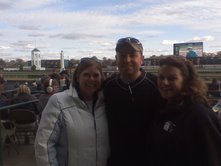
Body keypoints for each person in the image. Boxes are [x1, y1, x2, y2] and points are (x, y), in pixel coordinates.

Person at [35, 57, 109, 166]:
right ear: (78, 77)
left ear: (101, 78)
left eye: (96, 75)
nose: (91, 79)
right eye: (86, 75)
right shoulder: (58, 102)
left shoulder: (107, 103)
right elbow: (44, 145)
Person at [148, 56, 221, 166]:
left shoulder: (199, 114)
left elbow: (213, 158)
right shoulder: (166, 106)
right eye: (161, 77)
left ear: (186, 81)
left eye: (172, 78)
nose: (165, 82)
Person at [103, 37, 164, 166]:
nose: (127, 60)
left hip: (150, 159)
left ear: (141, 59)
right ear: (116, 59)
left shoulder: (158, 85)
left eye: (132, 55)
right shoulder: (107, 86)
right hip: (116, 159)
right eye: (123, 55)